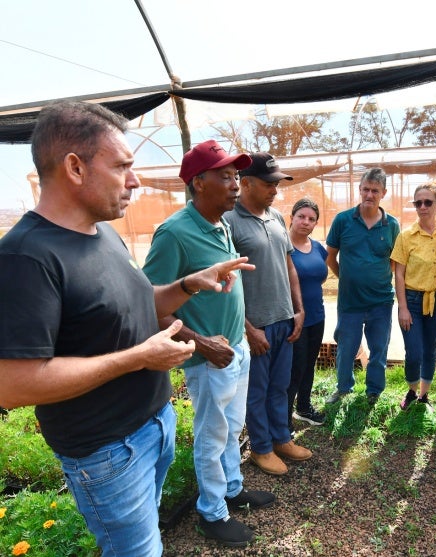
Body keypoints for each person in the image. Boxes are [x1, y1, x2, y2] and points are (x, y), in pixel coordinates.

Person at [0, 101, 254, 557]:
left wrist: (187, 285)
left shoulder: (103, 235)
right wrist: (139, 358)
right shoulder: (26, 258)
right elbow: (12, 384)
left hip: (152, 426)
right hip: (107, 453)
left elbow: (137, 304)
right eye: (122, 167)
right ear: (75, 168)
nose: (135, 180)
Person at [143, 140, 276, 548]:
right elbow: (148, 305)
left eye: (237, 176)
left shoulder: (221, 225)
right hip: (209, 359)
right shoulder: (175, 234)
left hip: (234, 349)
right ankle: (212, 513)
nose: (236, 184)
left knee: (233, 426)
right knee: (212, 433)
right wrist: (201, 344)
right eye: (226, 176)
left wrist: (244, 331)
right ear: (198, 183)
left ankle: (231, 489)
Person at [225, 152, 312, 477]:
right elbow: (227, 282)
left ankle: (280, 439)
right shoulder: (229, 222)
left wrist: (298, 309)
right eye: (268, 183)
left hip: (283, 320)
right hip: (256, 326)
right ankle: (261, 448)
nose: (275, 189)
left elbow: (288, 265)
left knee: (280, 386)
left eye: (276, 183)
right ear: (245, 183)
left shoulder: (276, 217)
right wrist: (247, 328)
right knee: (256, 391)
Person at [325, 167, 400, 405]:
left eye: (375, 190)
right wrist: (346, 278)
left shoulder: (392, 225)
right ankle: (343, 388)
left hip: (381, 302)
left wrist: (375, 279)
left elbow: (392, 261)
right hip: (350, 302)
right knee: (346, 348)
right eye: (365, 189)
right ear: (359, 190)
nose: (369, 194)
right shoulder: (343, 220)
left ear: (383, 193)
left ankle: (374, 391)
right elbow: (330, 257)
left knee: (379, 349)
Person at [390, 183, 436, 409]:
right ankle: (412, 390)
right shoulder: (406, 237)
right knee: (413, 352)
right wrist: (402, 307)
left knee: (430, 350)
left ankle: (424, 395)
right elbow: (399, 274)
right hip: (412, 302)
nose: (422, 207)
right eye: (418, 203)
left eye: (428, 202)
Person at [288, 198, 329, 427]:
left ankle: (303, 407)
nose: (306, 222)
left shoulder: (318, 248)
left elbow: (320, 276)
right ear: (291, 218)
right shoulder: (283, 248)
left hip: (317, 315)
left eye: (311, 219)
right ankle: (284, 421)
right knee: (295, 368)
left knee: (310, 363)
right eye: (301, 216)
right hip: (294, 318)